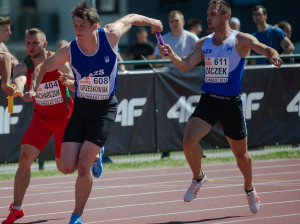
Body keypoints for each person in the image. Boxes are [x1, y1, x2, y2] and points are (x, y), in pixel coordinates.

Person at [23, 1, 163, 223]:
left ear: (95, 26)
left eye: (82, 26)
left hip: (104, 109)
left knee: (83, 165)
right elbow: (41, 67)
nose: (78, 30)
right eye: (75, 25)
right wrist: (32, 89)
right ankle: (97, 153)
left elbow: (130, 17)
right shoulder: (71, 49)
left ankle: (77, 214)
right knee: (67, 167)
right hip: (81, 109)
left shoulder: (110, 36)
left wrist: (153, 22)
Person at [158, 0, 282, 214]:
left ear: (225, 16)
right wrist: (171, 54)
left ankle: (250, 188)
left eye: (213, 13)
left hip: (231, 103)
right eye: (207, 13)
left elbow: (266, 48)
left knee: (241, 156)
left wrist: (273, 55)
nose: (208, 17)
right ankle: (199, 177)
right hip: (209, 99)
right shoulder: (204, 42)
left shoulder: (240, 39)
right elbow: (186, 65)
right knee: (188, 141)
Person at [2, 28, 74, 224]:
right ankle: (16, 208)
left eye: (35, 43)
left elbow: (76, 84)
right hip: (41, 119)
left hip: (64, 118)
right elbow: (20, 78)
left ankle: (94, 154)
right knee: (24, 157)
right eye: (27, 43)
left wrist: (68, 82)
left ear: (44, 44)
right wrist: (18, 88)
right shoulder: (23, 65)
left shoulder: (57, 60)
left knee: (64, 169)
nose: (30, 46)